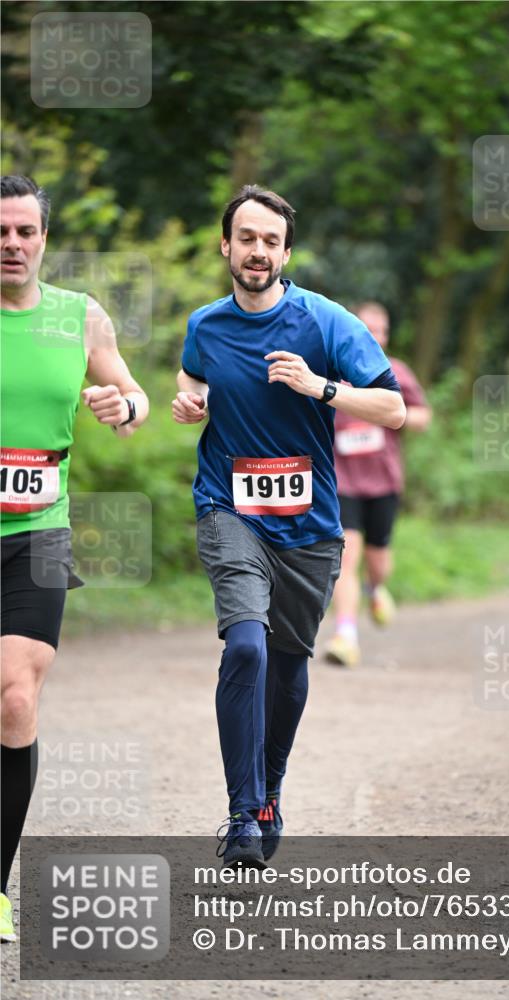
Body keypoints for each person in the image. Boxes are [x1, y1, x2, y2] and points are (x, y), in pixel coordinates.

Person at [172, 185, 405, 867]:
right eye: (246, 238)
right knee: (245, 646)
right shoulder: (206, 325)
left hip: (308, 526)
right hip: (229, 507)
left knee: (289, 664)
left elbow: (391, 409)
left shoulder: (324, 323)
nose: (257, 251)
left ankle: (269, 790)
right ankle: (241, 812)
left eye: (270, 241)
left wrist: (321, 387)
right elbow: (191, 383)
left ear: (286, 253)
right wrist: (192, 406)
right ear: (226, 245)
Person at [0, 175, 149, 942]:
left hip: (37, 532)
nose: (12, 243)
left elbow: (134, 396)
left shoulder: (79, 317)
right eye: (1, 231)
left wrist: (123, 406)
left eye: (25, 231)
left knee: (16, 697)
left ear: (44, 239)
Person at [324, 302, 431, 667]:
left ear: (386, 336)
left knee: (378, 563)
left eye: (380, 330)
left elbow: (421, 416)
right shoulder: (332, 372)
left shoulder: (396, 371)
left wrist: (389, 415)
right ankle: (345, 635)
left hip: (384, 483)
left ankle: (376, 588)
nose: (373, 336)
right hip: (343, 482)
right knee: (347, 557)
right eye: (366, 328)